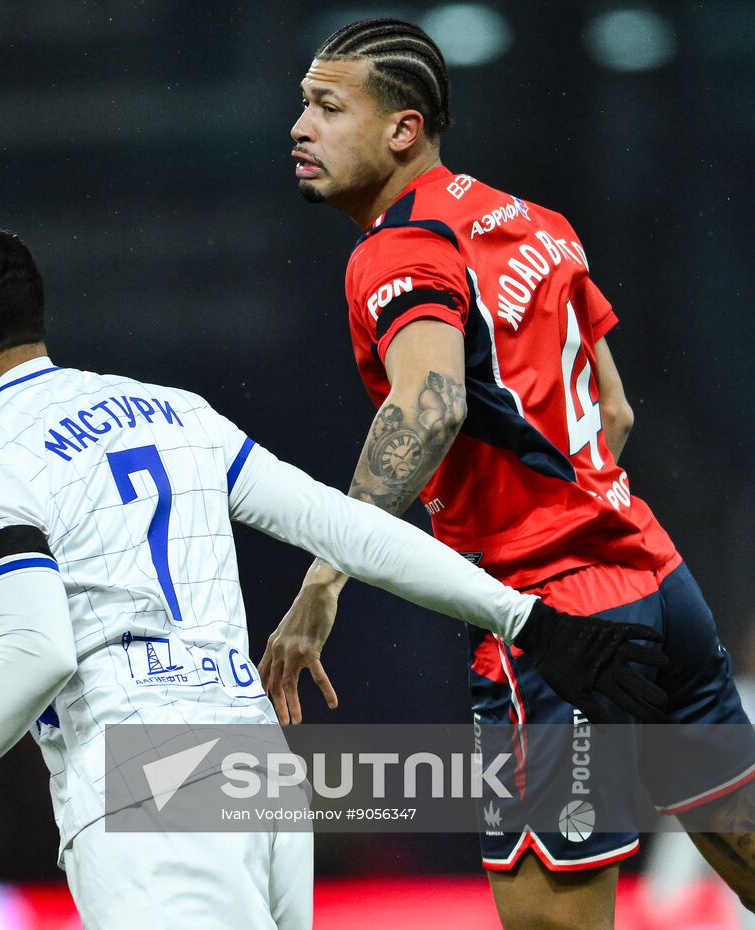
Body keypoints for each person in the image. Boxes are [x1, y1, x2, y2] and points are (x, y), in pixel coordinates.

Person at [0, 223, 663, 928]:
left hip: (140, 770)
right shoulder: (171, 412)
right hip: (254, 766)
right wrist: (529, 620)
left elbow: (36, 649)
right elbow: (345, 528)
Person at [260, 17, 755, 929]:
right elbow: (614, 411)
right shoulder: (539, 224)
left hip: (554, 620)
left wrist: (325, 575)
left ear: (403, 129)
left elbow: (432, 404)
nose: (300, 126)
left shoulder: (395, 251)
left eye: (328, 107)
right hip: (657, 581)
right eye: (302, 105)